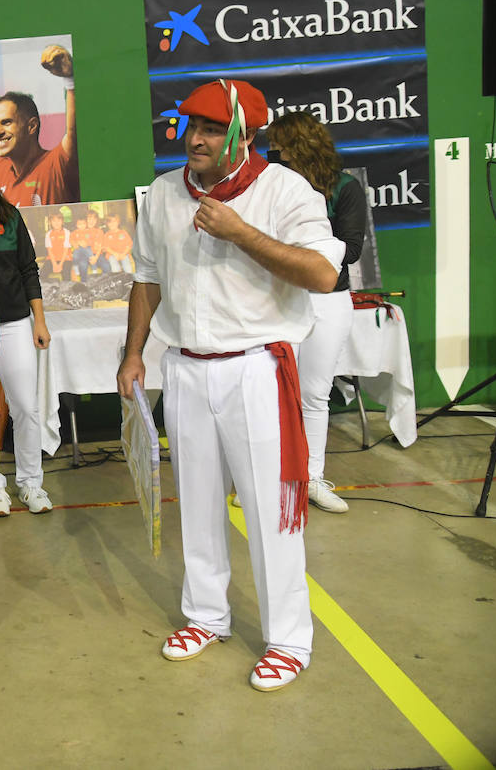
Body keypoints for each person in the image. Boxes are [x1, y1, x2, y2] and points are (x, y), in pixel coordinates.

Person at [116, 79, 343, 692]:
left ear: (244, 134)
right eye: (192, 126)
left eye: (212, 129)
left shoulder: (285, 189)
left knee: (272, 512)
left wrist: (241, 231)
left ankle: (288, 640)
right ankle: (206, 616)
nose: (196, 139)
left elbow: (323, 274)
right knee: (196, 502)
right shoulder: (164, 193)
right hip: (184, 368)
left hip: (256, 369)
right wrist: (133, 354)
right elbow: (146, 278)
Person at [267, 111, 368, 514]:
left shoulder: (344, 187)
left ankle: (311, 478)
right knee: (274, 393)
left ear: (301, 145)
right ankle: (269, 479)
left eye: (281, 145)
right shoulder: (270, 186)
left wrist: (297, 253)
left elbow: (352, 250)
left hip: (328, 299)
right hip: (279, 297)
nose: (274, 153)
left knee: (314, 394)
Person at [0, 153, 53, 517]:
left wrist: (39, 320)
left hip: (16, 324)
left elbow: (28, 271)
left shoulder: (10, 217)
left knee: (26, 407)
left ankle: (31, 484)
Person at [0, 45, 79, 206]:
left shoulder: (57, 164)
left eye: (6, 122)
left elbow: (74, 132)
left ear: (31, 126)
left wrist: (70, 80)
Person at [70, 211, 107, 281]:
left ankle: (103, 282)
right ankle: (84, 283)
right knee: (82, 265)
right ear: (86, 220)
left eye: (94, 219)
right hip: (83, 254)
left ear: (97, 220)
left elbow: (100, 246)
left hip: (97, 255)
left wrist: (95, 258)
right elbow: (72, 240)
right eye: (89, 219)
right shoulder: (80, 230)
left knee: (106, 266)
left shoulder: (99, 231)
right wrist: (77, 243)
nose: (91, 221)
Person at [43, 212, 72, 279]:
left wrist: (60, 265)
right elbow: (49, 250)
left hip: (65, 258)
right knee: (43, 273)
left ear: (62, 221)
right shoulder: (48, 234)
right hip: (52, 258)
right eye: (54, 221)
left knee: (66, 274)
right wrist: (54, 264)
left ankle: (66, 289)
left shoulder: (67, 232)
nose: (56, 223)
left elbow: (66, 250)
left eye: (59, 220)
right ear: (50, 222)